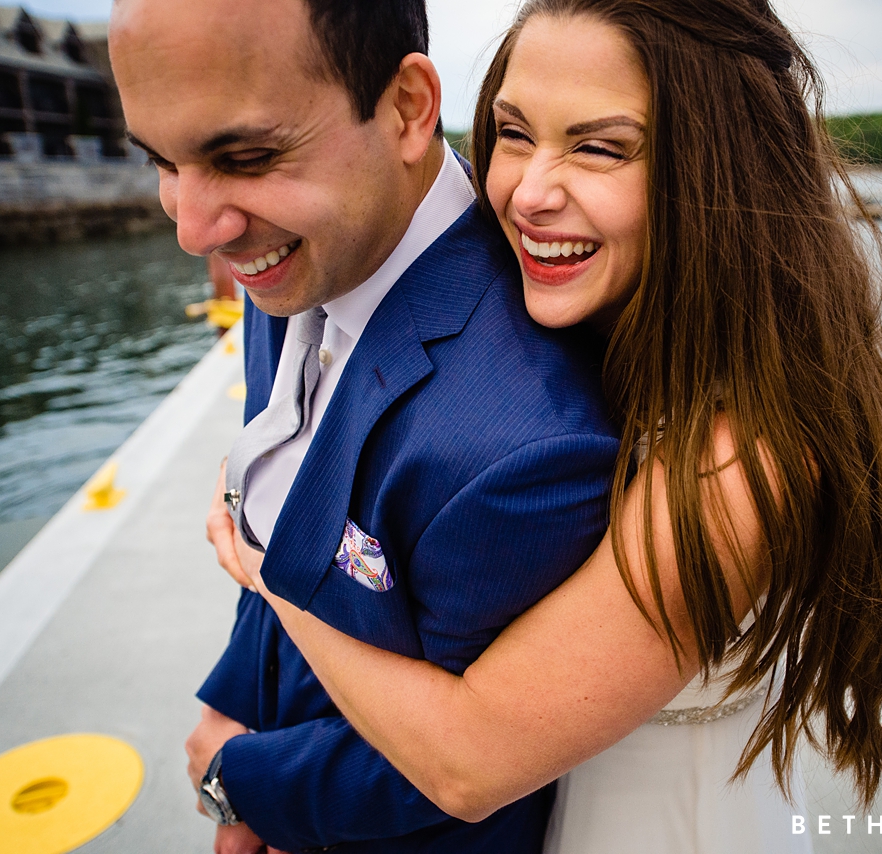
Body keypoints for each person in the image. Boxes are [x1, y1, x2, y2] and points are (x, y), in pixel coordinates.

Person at [216, 0, 882, 852]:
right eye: (514, 133)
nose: (528, 192)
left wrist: (270, 560)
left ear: (718, 170)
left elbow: (471, 757)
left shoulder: (743, 464)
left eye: (601, 147)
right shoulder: (584, 324)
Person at [109, 1, 622, 852]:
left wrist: (240, 782)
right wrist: (233, 708)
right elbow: (275, 510)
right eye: (164, 161)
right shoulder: (302, 250)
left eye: (245, 158)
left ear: (408, 109)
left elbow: (457, 762)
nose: (193, 229)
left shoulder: (529, 445)